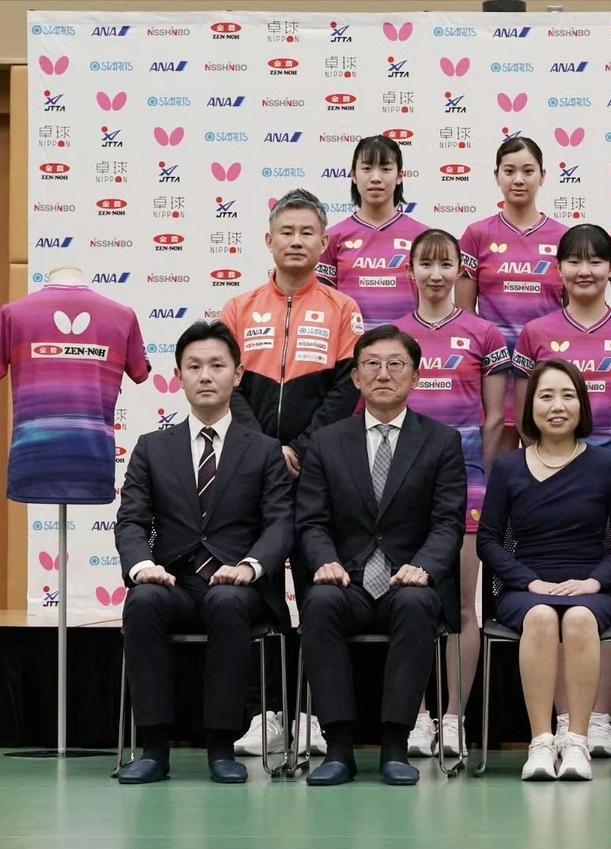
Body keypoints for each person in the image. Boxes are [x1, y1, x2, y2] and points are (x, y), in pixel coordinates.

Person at [218, 188, 366, 756]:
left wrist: (302, 448)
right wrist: (264, 449)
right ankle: (270, 712)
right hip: (253, 469)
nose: (297, 241)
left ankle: (317, 716)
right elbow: (229, 384)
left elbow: (347, 388)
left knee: (316, 591)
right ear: (269, 240)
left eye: (308, 233)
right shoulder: (239, 308)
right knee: (260, 593)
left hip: (318, 469)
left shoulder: (343, 310)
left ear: (324, 243)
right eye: (287, 232)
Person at [114, 322, 293, 784]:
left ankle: (221, 748)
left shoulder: (265, 451)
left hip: (239, 586)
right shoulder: (152, 448)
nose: (206, 375)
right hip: (173, 581)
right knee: (143, 601)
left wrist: (250, 567)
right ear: (178, 376)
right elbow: (131, 520)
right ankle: (153, 749)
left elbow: (280, 523)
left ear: (238, 374)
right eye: (194, 367)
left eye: (217, 365)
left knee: (227, 602)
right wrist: (143, 567)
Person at [294, 325, 467, 786]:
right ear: (355, 377)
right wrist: (324, 561)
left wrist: (424, 567)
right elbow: (310, 521)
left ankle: (395, 746)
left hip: (406, 579)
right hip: (347, 580)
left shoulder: (442, 441)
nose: (383, 374)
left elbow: (448, 522)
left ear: (416, 376)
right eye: (371, 365)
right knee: (320, 602)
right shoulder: (327, 441)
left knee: (416, 604)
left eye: (396, 365)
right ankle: (338, 747)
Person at [514, 224, 611, 760]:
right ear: (559, 269)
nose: (585, 270)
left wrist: (609, 457)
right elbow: (525, 414)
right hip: (550, 479)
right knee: (553, 599)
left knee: (607, 602)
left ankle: (598, 720)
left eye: (596, 261)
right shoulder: (535, 332)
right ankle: (560, 721)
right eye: (574, 261)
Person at [477, 360, 611, 782]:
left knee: (581, 617)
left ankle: (577, 741)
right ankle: (541, 742)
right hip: (526, 588)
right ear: (530, 406)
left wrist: (593, 581)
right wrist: (529, 581)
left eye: (567, 396)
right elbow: (488, 541)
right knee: (542, 616)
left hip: (591, 587)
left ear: (581, 405)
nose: (557, 406)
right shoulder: (508, 467)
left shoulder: (607, 465)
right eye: (546, 396)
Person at [391, 228, 511, 760]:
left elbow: (494, 418)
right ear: (410, 271)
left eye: (447, 265)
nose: (436, 275)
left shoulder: (485, 334)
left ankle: (456, 719)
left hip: (467, 483)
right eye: (426, 264)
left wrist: (481, 475)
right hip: (401, 487)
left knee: (463, 604)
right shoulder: (393, 335)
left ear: (462, 270)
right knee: (408, 602)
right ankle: (417, 718)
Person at [458, 137, 569, 452]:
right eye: (509, 171)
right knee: (499, 470)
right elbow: (465, 315)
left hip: (546, 375)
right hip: (496, 377)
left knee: (547, 466)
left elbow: (570, 313)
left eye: (528, 171)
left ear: (542, 176)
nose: (518, 179)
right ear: (497, 176)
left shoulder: (563, 237)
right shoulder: (477, 235)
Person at [317, 135, 429, 329]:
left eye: (385, 169)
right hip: (351, 346)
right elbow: (323, 306)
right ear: (353, 175)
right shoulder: (332, 238)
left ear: (400, 176)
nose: (376, 178)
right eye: (367, 168)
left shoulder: (423, 237)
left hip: (408, 345)